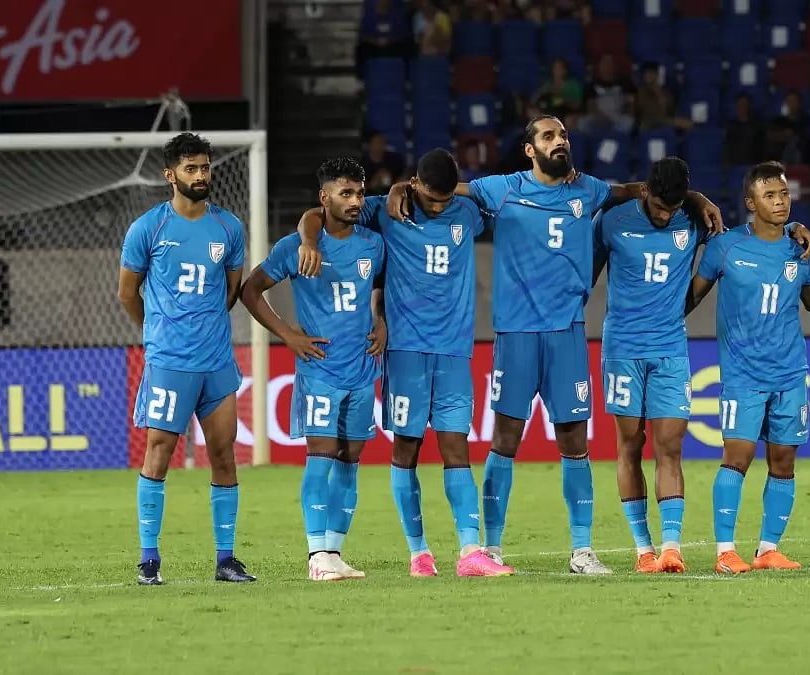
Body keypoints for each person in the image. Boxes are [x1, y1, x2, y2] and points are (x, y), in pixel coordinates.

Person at [326, 115, 774, 574]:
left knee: (574, 442)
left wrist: (694, 196)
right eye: (548, 136)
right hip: (516, 334)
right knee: (504, 440)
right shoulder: (500, 189)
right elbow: (440, 190)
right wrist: (403, 185)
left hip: (567, 333)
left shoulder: (590, 190)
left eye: (562, 135)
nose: (560, 141)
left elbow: (640, 190)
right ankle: (491, 548)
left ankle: (582, 550)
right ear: (529, 149)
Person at [295, 149, 514, 578]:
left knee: (456, 450)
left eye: (445, 199)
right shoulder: (384, 211)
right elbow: (318, 214)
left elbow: (505, 196)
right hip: (406, 351)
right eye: (431, 198)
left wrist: (419, 189)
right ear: (415, 184)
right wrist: (306, 240)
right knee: (406, 451)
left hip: (453, 352)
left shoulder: (467, 212)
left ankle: (471, 551)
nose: (439, 206)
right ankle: (419, 554)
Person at [687, 161, 810, 574]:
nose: (779, 201)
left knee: (784, 461)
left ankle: (768, 549)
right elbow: (689, 299)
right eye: (769, 195)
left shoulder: (800, 248)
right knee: (736, 457)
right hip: (742, 373)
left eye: (784, 194)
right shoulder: (726, 247)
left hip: (790, 371)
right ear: (750, 202)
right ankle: (724, 551)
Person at [117, 132, 256, 585]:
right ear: (170, 174)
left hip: (216, 361)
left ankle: (226, 560)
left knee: (224, 455)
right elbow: (126, 292)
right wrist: (158, 329)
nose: (200, 175)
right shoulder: (148, 228)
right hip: (169, 360)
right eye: (191, 168)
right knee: (159, 453)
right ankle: (149, 560)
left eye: (205, 167)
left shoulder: (229, 227)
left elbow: (232, 290)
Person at [240, 158, 385, 582]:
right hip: (320, 368)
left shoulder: (373, 244)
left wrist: (382, 321)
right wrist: (287, 333)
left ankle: (334, 552)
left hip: (362, 368)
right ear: (324, 198)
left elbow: (383, 285)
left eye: (359, 192)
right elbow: (250, 290)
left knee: (351, 460)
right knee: (320, 456)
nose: (356, 200)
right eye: (346, 193)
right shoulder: (295, 247)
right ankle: (315, 554)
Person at [590, 157, 705, 573]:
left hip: (671, 349)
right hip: (622, 349)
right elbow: (586, 274)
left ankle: (671, 548)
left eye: (671, 209)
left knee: (670, 448)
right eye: (658, 206)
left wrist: (695, 201)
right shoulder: (613, 221)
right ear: (644, 192)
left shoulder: (693, 218)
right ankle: (643, 551)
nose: (664, 215)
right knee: (630, 446)